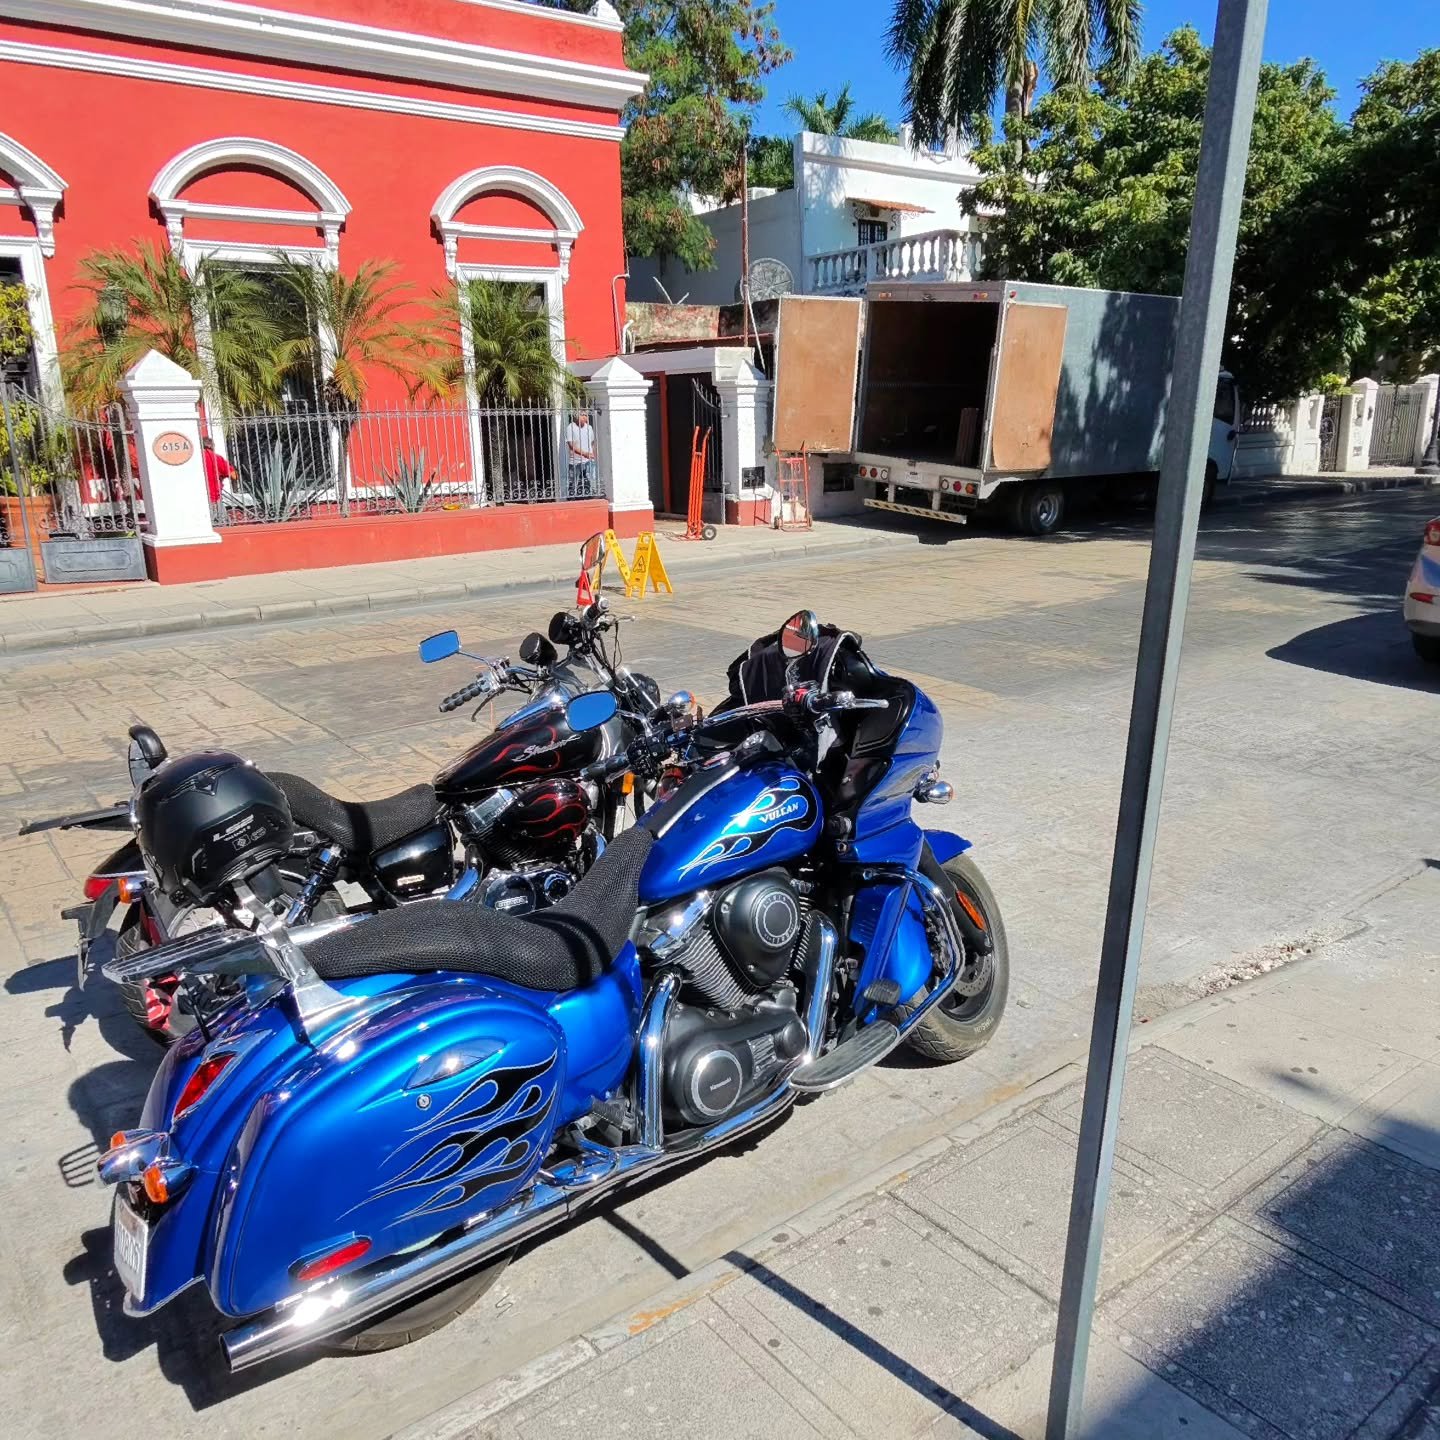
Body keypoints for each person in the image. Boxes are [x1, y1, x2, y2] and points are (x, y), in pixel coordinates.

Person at [565, 411, 596, 498]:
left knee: (590, 482)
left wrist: (593, 454)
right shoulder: (570, 427)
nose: (584, 417)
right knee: (573, 483)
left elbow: (592, 443)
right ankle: (572, 500)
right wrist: (585, 453)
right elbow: (571, 445)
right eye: (582, 415)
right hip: (575, 461)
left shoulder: (589, 428)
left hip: (589, 460)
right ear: (576, 416)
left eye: (586, 415)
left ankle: (590, 499)